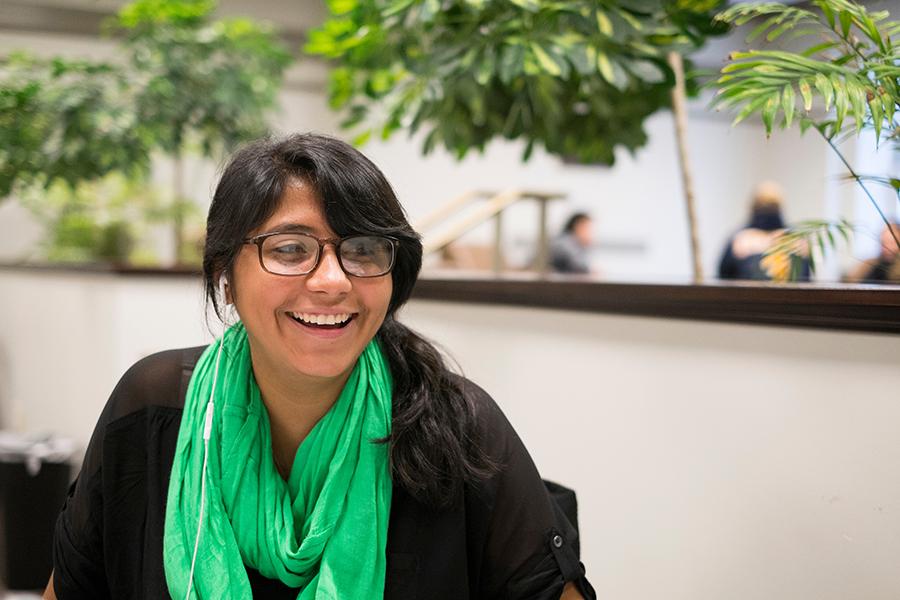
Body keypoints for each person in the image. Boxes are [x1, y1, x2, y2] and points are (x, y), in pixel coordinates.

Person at [46, 134, 594, 599]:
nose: (333, 280)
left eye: (363, 249)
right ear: (224, 275)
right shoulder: (152, 409)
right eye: (289, 249)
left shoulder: (457, 423)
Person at [717, 181, 810, 281]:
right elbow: (806, 278)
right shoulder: (795, 239)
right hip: (788, 295)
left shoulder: (739, 239)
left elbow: (723, 275)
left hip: (747, 295)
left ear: (752, 206)